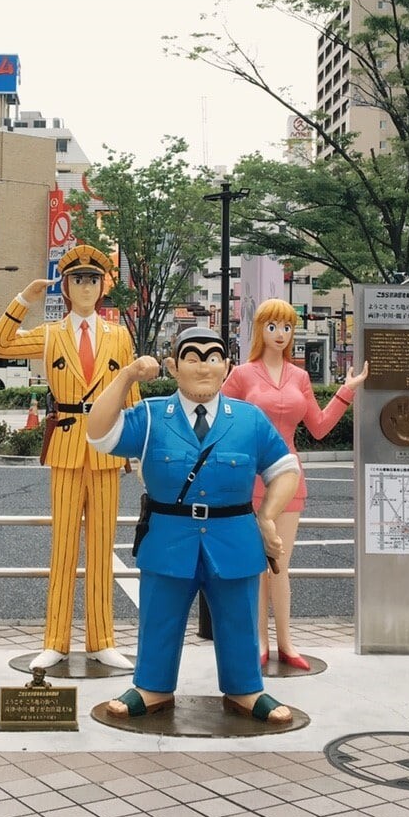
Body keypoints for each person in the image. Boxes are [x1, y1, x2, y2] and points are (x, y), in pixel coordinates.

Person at [89, 327, 301, 724]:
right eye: (192, 356)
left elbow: (284, 468)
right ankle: (151, 686)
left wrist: (268, 516)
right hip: (169, 536)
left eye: (213, 356)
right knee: (160, 615)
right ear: (172, 366)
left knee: (238, 615)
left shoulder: (248, 419)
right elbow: (99, 434)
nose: (203, 365)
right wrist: (126, 376)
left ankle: (246, 689)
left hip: (233, 536)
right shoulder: (152, 416)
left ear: (227, 367)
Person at [0, 244, 140, 672]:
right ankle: (54, 639)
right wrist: (24, 300)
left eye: (93, 279)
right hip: (68, 445)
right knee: (63, 547)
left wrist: (140, 450)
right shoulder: (53, 332)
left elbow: (131, 395)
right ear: (67, 287)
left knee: (101, 548)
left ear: (103, 285)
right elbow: (0, 345)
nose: (86, 286)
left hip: (108, 448)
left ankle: (102, 639)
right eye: (77, 279)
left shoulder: (119, 336)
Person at [222, 298, 368, 670]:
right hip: (250, 479)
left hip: (290, 477)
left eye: (287, 327)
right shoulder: (241, 374)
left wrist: (346, 390)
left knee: (280, 565)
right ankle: (258, 641)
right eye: (272, 327)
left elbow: (318, 427)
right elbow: (221, 424)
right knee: (257, 564)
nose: (280, 334)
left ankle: (286, 642)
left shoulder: (300, 377)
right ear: (260, 330)